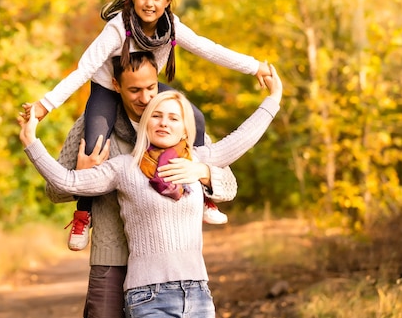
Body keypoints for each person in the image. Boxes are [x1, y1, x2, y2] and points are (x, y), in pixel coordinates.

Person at [24, 0, 272, 249]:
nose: (149, 3)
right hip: (108, 89)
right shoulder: (117, 28)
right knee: (93, 143)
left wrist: (254, 67)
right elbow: (84, 68)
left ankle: (204, 195)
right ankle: (83, 212)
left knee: (196, 117)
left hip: (147, 87)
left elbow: (208, 48)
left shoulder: (172, 27)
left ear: (167, 1)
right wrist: (45, 105)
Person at [17, 63, 283, 317]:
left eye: (172, 118)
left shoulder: (194, 157)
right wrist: (34, 142)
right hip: (139, 284)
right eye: (155, 115)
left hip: (196, 291)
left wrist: (204, 172)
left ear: (185, 128)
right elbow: (63, 183)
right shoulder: (121, 162)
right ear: (117, 86)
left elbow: (241, 142)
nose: (161, 120)